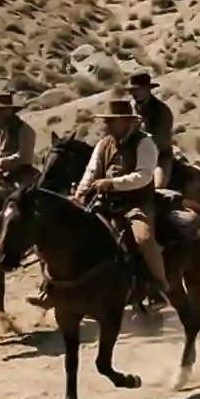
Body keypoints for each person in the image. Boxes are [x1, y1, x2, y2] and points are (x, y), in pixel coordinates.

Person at [74, 98, 167, 295]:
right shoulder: (103, 144)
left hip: (137, 202)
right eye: (106, 120)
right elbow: (91, 171)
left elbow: (143, 176)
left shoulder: (145, 143)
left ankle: (158, 286)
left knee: (144, 239)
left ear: (127, 121)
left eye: (112, 120)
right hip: (106, 201)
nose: (107, 125)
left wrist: (112, 183)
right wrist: (80, 192)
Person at [128, 72, 177, 188]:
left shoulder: (162, 111)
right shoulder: (130, 108)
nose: (134, 93)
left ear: (147, 90)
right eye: (132, 90)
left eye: (138, 90)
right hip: (131, 154)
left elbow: (158, 140)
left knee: (158, 187)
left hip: (159, 156)